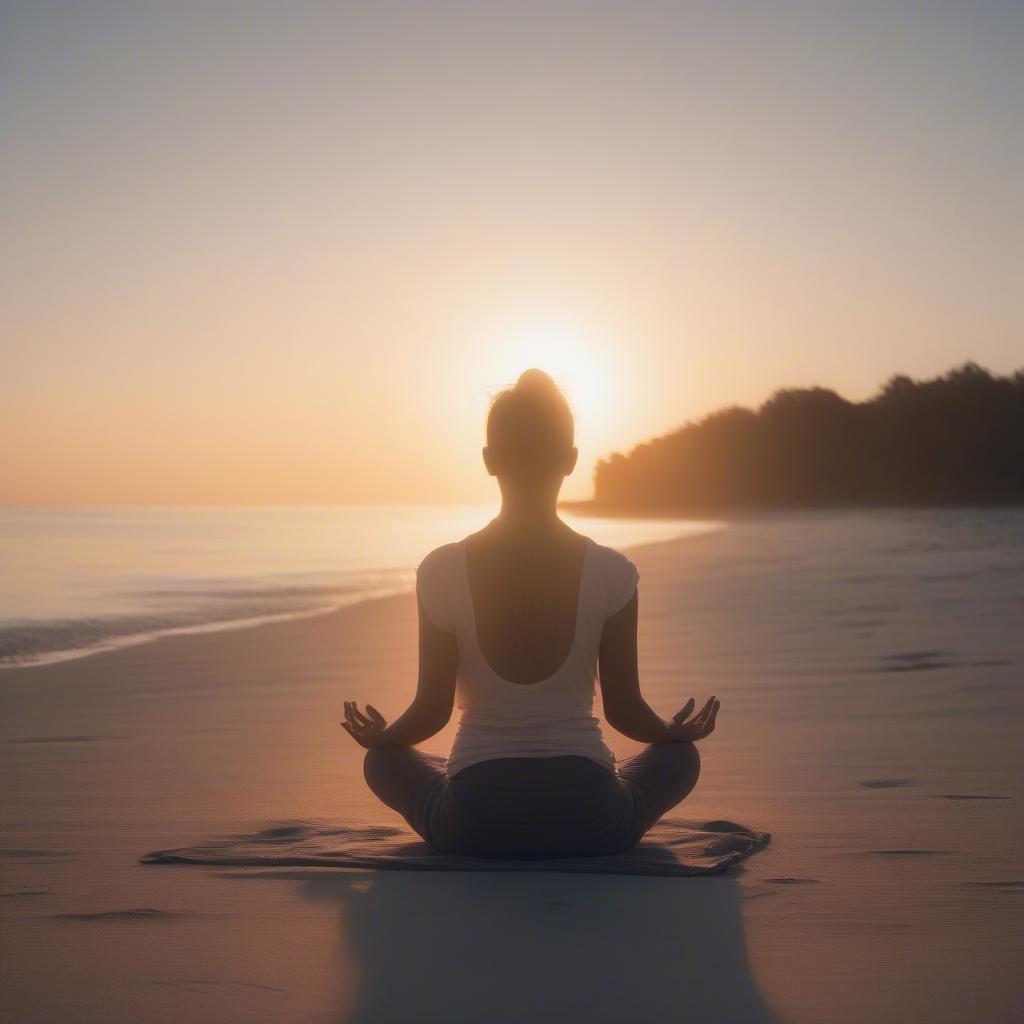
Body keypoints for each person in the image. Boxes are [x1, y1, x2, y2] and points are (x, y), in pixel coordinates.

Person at [341, 368, 720, 859]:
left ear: (489, 461)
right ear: (570, 460)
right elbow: (625, 712)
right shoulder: (613, 571)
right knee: (680, 760)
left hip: (474, 824)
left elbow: (431, 712)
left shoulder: (440, 569)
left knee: (382, 764)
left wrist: (384, 738)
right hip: (591, 821)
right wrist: (673, 734)